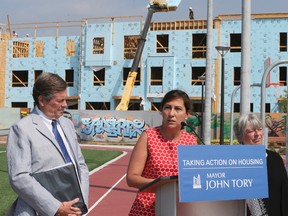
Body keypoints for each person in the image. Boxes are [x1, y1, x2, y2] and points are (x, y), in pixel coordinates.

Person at [6, 72, 89, 216]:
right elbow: (19, 177)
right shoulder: (22, 129)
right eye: (60, 101)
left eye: (66, 100)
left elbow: (80, 165)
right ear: (42, 100)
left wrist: (79, 203)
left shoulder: (67, 124)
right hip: (39, 211)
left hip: (73, 209)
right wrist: (56, 208)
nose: (65, 105)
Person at [126, 89, 197, 215]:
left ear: (187, 114)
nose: (171, 114)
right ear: (161, 111)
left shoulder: (191, 141)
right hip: (146, 209)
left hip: (179, 209)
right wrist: (162, 185)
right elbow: (131, 178)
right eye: (167, 108)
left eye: (178, 109)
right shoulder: (148, 136)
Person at [233, 113, 288, 216]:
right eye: (251, 131)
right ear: (240, 135)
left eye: (259, 129)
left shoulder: (275, 158)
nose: (257, 134)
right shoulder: (234, 162)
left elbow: (284, 193)